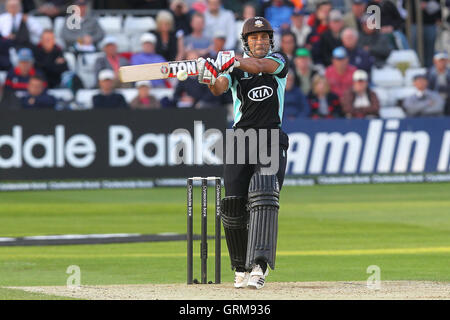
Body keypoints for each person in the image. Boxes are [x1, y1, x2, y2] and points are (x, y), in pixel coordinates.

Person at [197, 16, 290, 290]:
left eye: (264, 37)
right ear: (246, 41)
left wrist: (234, 60)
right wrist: (210, 77)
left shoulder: (279, 61)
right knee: (234, 204)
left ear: (270, 41)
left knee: (264, 196)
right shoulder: (234, 69)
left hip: (271, 137)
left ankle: (259, 265)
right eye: (254, 38)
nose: (260, 42)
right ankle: (240, 267)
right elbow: (219, 88)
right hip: (240, 138)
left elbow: (261, 66)